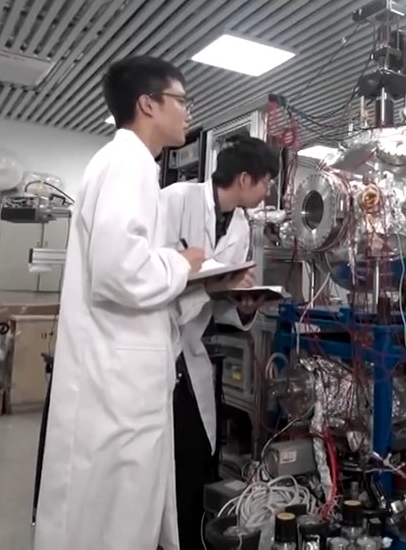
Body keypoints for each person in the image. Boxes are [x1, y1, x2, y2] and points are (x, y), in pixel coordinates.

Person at [33, 56, 246, 550]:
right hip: (116, 386)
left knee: (120, 516)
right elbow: (119, 271)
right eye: (181, 100)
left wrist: (195, 279)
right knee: (111, 522)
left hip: (126, 378)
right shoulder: (127, 164)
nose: (188, 112)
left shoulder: (134, 167)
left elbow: (131, 272)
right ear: (148, 104)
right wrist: (183, 263)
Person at [159, 136, 280, 549]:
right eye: (265, 182)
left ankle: (190, 541)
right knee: (160, 465)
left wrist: (244, 305)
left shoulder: (241, 225)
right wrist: (207, 286)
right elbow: (149, 279)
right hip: (157, 347)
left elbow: (219, 303)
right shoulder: (177, 200)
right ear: (244, 179)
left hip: (191, 351)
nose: (267, 192)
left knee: (197, 461)